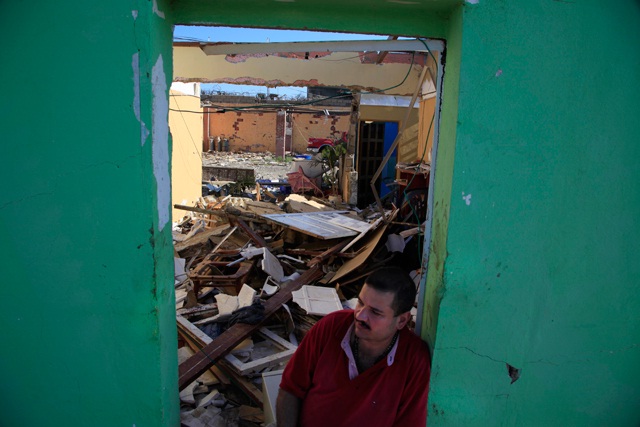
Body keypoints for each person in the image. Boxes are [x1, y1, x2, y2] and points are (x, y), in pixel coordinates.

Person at [276, 266, 431, 427]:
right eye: (360, 303)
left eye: (375, 312)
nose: (360, 315)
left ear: (401, 321)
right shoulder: (331, 327)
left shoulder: (414, 360)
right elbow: (290, 389)